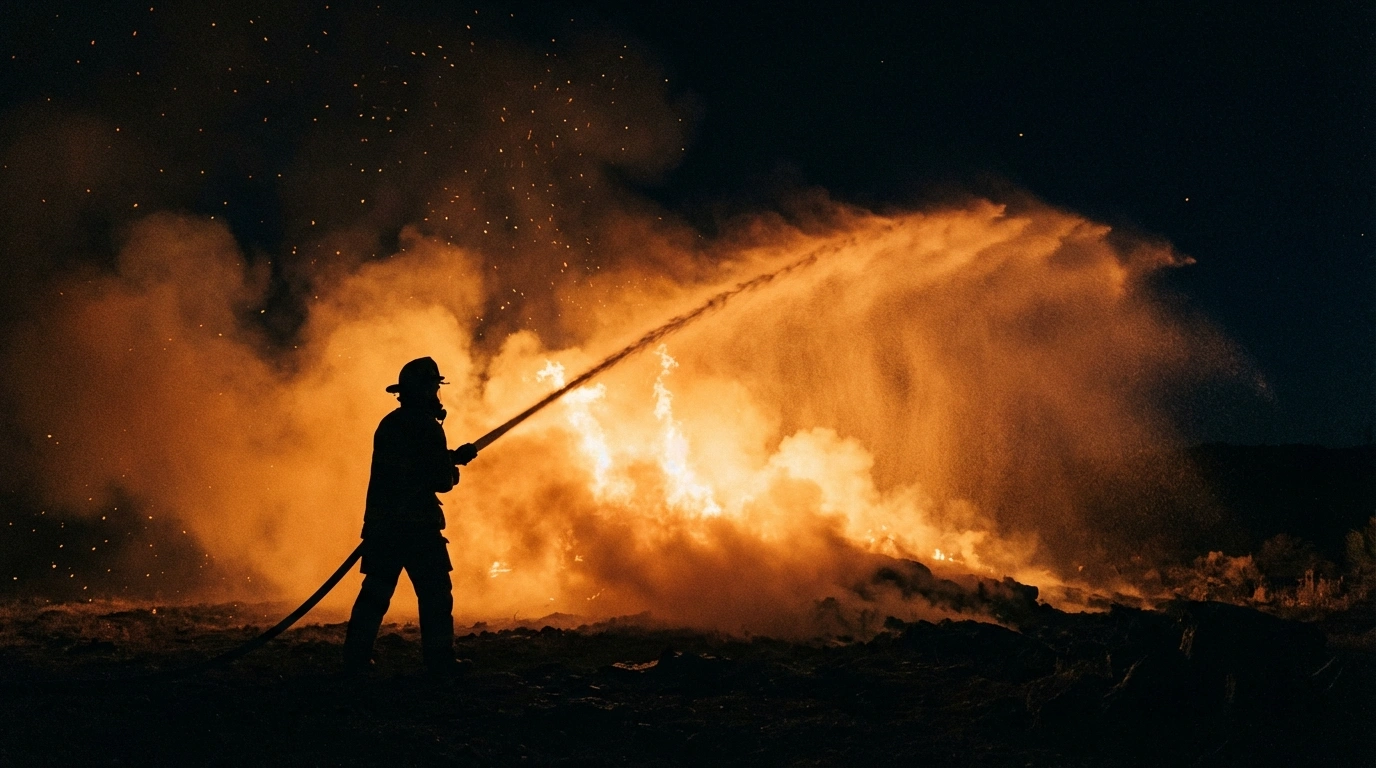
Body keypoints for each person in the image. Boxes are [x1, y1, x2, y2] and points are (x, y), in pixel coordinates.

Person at [343, 356, 478, 673]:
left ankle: (355, 660)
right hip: (417, 529)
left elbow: (411, 466)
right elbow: (439, 481)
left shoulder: (391, 424)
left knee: (374, 595)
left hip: (383, 527)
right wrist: (452, 469)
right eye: (433, 387)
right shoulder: (427, 427)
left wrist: (452, 457)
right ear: (427, 389)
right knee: (435, 596)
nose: (436, 393)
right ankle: (440, 663)